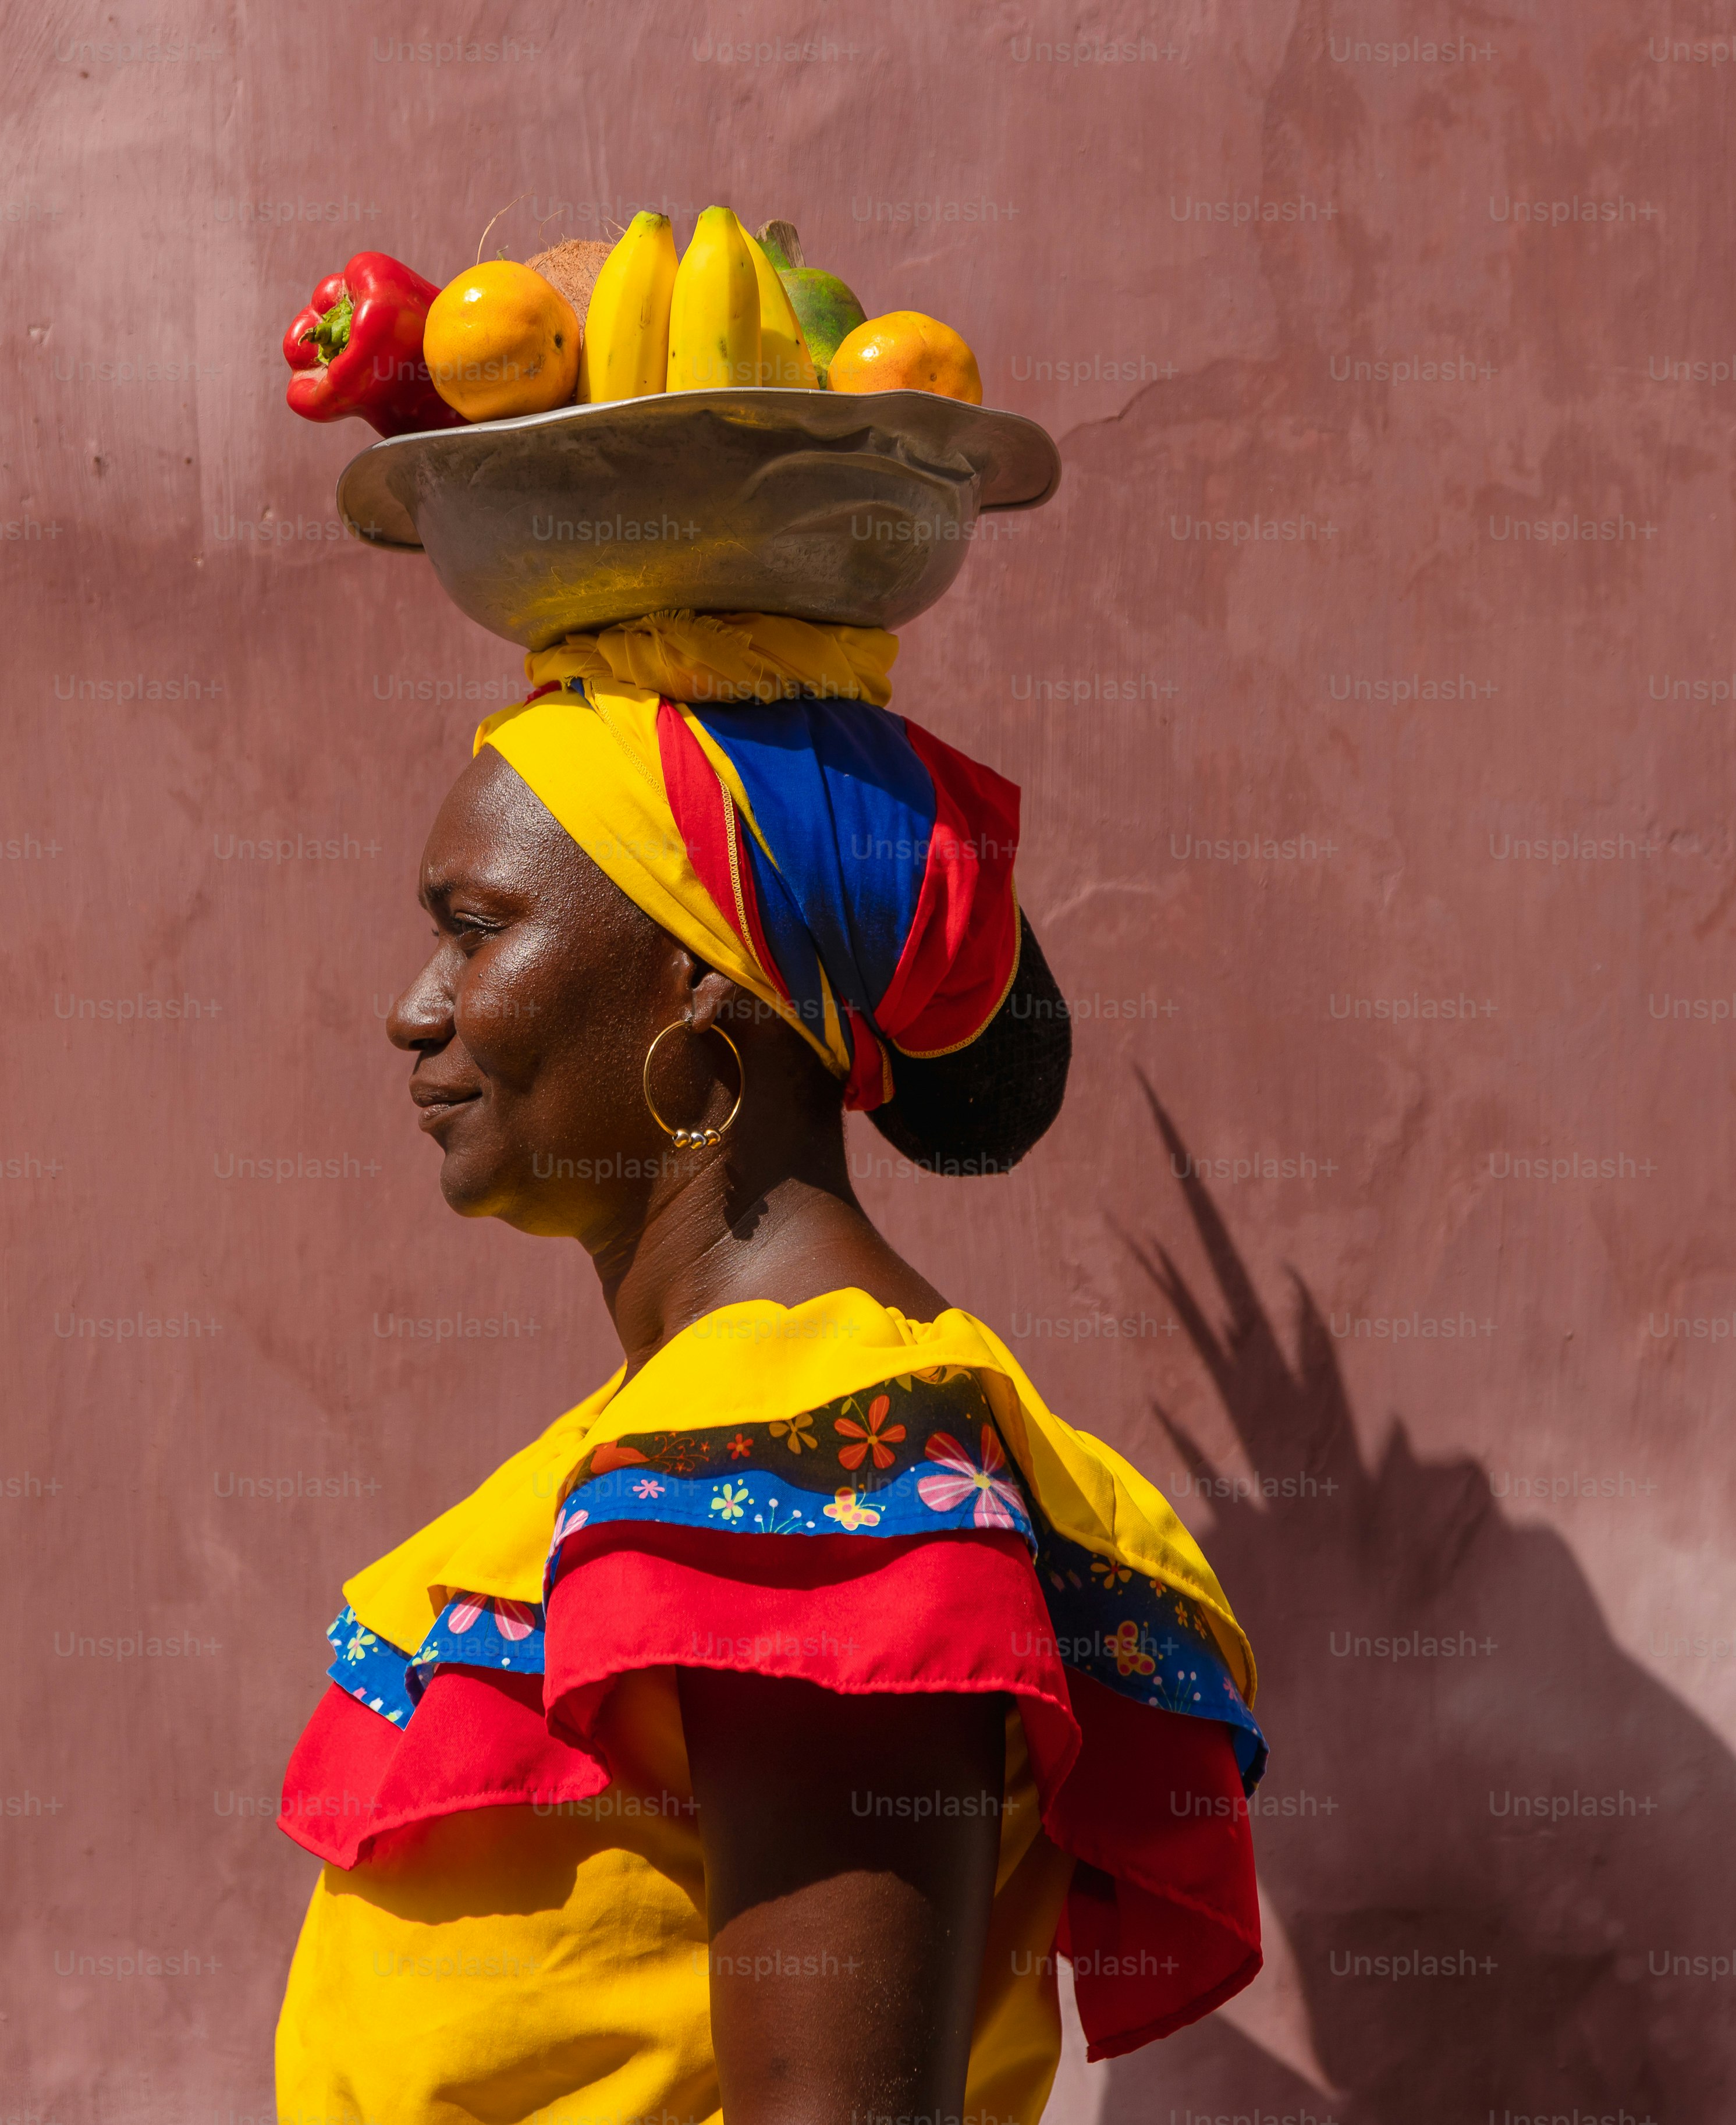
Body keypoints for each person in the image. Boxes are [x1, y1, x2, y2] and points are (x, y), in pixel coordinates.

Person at [272, 612, 1266, 2125]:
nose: (414, 1006)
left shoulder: (807, 1461)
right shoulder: (700, 1438)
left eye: (475, 928)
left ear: (694, 985)